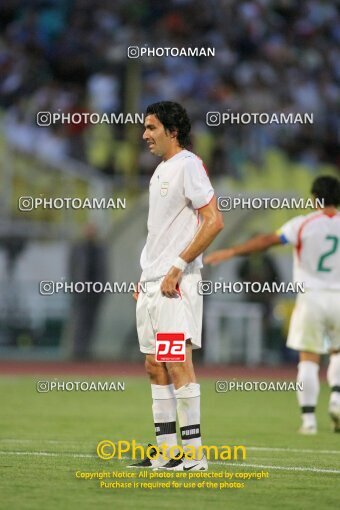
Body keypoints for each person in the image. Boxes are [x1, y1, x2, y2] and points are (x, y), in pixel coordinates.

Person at [205, 176, 340, 434]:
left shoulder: (303, 224)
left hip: (311, 297)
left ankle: (309, 421)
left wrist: (231, 251)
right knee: (337, 352)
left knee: (309, 359)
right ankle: (336, 398)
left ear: (314, 198)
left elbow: (266, 240)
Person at [130, 101, 224, 470]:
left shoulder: (188, 165)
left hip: (175, 284)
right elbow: (159, 233)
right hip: (153, 283)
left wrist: (178, 266)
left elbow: (214, 221)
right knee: (155, 365)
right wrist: (145, 276)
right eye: (144, 127)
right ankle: (168, 453)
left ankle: (195, 456)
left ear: (172, 131)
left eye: (151, 127)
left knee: (175, 361)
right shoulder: (160, 171)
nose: (144, 135)